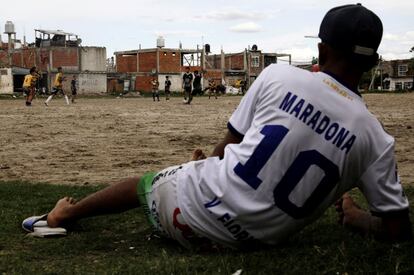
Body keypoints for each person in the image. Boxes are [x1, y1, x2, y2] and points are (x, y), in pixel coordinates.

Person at [25, 4, 411, 249]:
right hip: (255, 242)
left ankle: (62, 216)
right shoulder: (376, 138)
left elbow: (224, 152)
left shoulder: (278, 76)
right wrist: (359, 218)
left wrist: (204, 165)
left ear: (322, 50)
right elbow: (397, 230)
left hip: (186, 216)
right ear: (374, 62)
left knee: (143, 184)